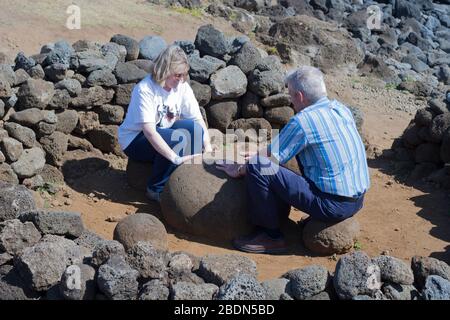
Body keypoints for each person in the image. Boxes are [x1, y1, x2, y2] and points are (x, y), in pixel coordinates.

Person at [216, 66, 370, 254]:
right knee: (283, 156)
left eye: (290, 95)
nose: (291, 101)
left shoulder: (304, 121)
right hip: (357, 201)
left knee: (257, 166)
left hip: (332, 205)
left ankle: (270, 236)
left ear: (299, 96)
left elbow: (268, 159)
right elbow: (277, 149)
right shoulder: (341, 109)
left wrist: (239, 169)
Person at [118, 45, 212, 202]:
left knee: (194, 130)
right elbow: (149, 131)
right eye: (177, 75)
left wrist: (207, 146)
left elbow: (197, 118)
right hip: (135, 139)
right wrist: (174, 157)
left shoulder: (182, 87)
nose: (182, 79)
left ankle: (187, 178)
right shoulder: (145, 89)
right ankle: (156, 189)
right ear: (165, 70)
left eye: (184, 75)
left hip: (162, 130)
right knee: (178, 138)